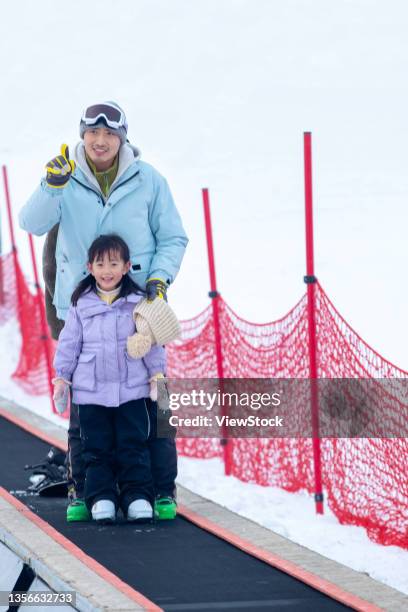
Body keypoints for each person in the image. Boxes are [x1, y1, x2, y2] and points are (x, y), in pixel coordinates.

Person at [19, 101, 188, 522]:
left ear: (122, 138)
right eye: (92, 134)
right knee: (87, 403)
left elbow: (173, 237)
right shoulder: (65, 176)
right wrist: (51, 185)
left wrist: (159, 280)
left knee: (154, 397)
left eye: (109, 134)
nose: (100, 141)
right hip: (83, 309)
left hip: (140, 309)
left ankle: (160, 489)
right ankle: (87, 491)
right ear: (82, 136)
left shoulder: (148, 180)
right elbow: (31, 222)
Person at [54, 234, 165, 523]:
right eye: (101, 264)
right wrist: (62, 378)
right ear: (90, 267)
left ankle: (137, 495)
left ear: (127, 266)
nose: (107, 271)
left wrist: (157, 375)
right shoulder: (80, 303)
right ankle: (101, 496)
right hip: (92, 392)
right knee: (96, 448)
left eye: (114, 263)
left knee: (133, 444)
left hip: (131, 390)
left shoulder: (138, 302)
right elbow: (69, 344)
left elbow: (151, 341)